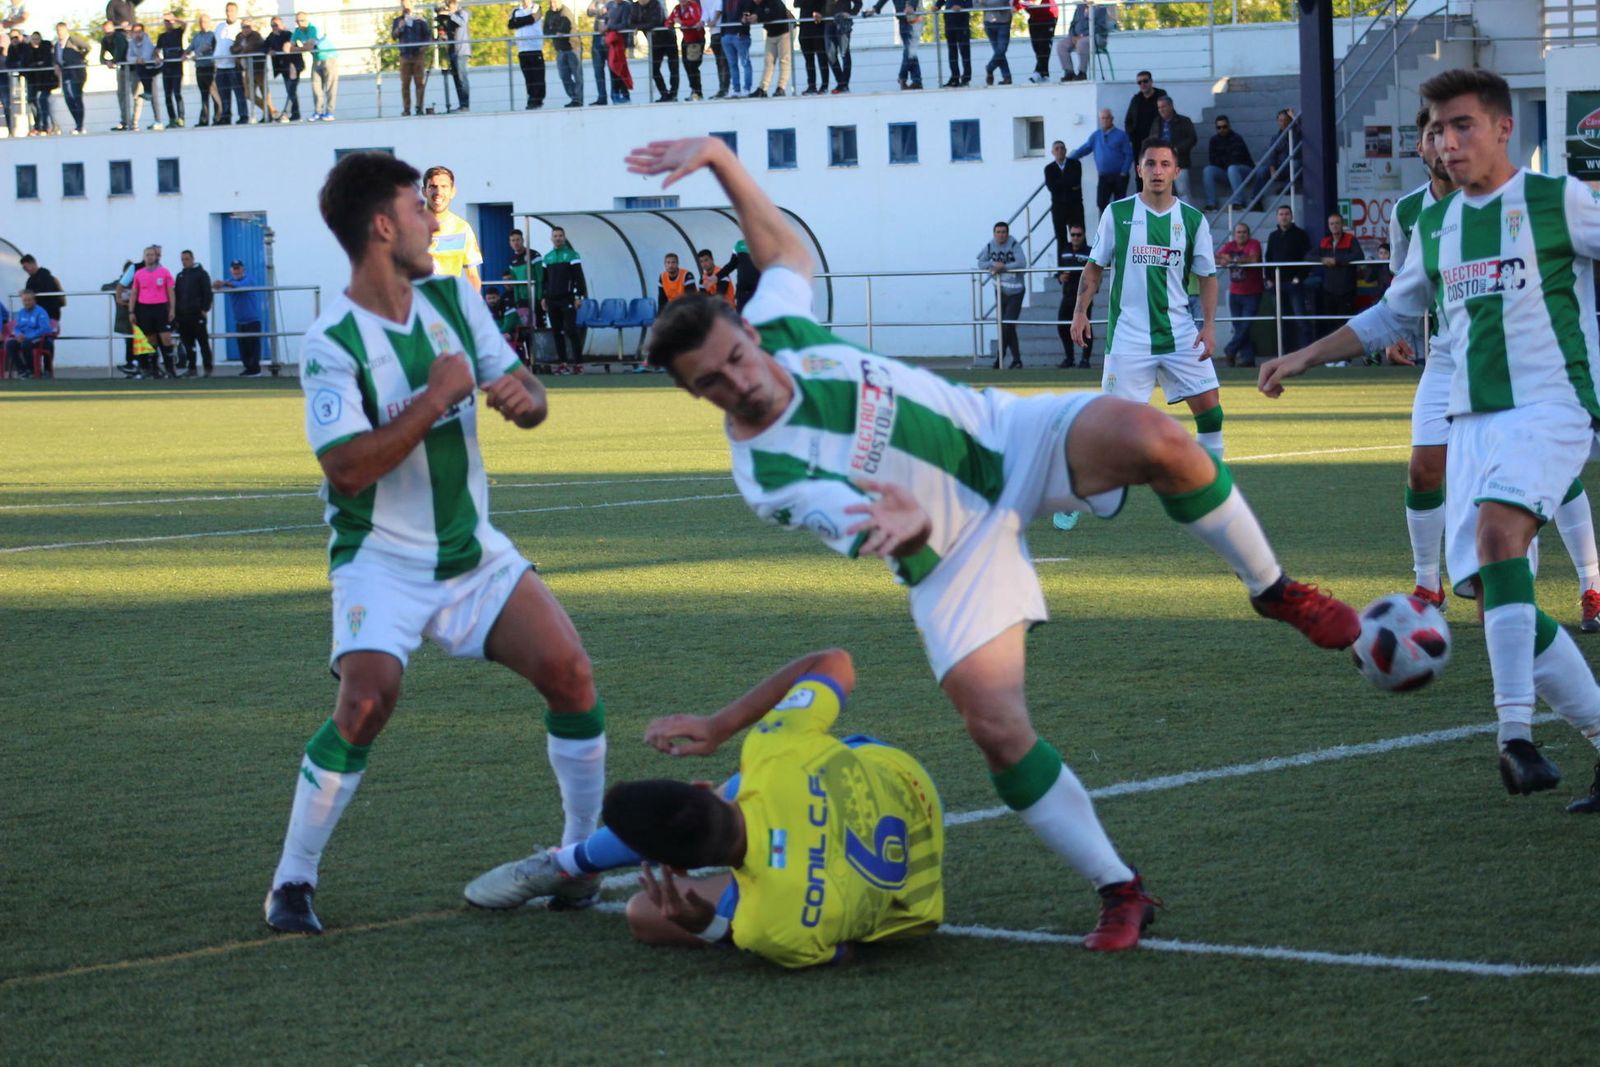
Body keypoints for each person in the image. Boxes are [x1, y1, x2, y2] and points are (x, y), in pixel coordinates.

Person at [628, 134, 1360, 951]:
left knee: (1159, 437)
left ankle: (1274, 589)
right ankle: (1120, 886)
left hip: (1005, 436)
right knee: (998, 730)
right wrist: (907, 523)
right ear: (693, 393)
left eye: (735, 358)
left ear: (750, 332)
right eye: (711, 383)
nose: (737, 381)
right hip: (949, 554)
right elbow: (865, 517)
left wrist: (722, 160)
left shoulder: (778, 322)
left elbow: (784, 250)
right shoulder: (769, 472)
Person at [263, 151, 610, 934]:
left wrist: (526, 400)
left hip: (470, 551)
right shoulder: (331, 341)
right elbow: (347, 468)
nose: (433, 219)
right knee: (365, 700)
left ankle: (579, 858)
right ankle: (292, 881)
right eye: (418, 208)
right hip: (379, 558)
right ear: (383, 227)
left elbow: (528, 393)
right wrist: (436, 398)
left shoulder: (454, 298)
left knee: (571, 672)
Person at [1258, 68, 1600, 813]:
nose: (1448, 142)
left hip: (1552, 407)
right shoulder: (1438, 226)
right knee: (1493, 593)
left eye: (1463, 125)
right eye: (1439, 130)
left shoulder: (1559, 200)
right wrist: (1304, 355)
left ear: (1505, 128)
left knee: (1500, 535)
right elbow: (1390, 314)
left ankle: (1514, 733)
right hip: (1471, 421)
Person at [468, 649, 946, 968]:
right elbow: (834, 660)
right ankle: (570, 866)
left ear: (674, 866)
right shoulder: (771, 751)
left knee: (645, 913)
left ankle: (569, 864)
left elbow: (840, 953)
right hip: (907, 790)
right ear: (702, 787)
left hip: (900, 886)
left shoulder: (770, 926)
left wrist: (712, 927)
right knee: (656, 900)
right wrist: (719, 726)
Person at [1383, 107, 1600, 627]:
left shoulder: (1519, 200)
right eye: (1432, 135)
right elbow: (1404, 285)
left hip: (1520, 357)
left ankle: (1591, 583)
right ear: (1421, 147)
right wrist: (1394, 332)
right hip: (1446, 358)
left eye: (1454, 131)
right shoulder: (1411, 212)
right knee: (1423, 467)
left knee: (1547, 472)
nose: (1443, 145)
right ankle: (1427, 582)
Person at [1071, 138, 1224, 457]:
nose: (1157, 171)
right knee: (1113, 430)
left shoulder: (1193, 220)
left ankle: (1210, 481)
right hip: (1129, 336)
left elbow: (1208, 277)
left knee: (1211, 413)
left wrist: (1209, 326)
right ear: (1139, 170)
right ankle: (1090, 486)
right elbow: (1094, 267)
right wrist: (1080, 312)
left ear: (1176, 172)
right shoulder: (1117, 213)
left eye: (1165, 164)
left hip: (1180, 333)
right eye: (1150, 164)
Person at [423, 165, 483, 291]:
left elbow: (472, 276)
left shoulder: (462, 228)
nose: (438, 192)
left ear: (453, 192)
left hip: (449, 301)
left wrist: (471, 302)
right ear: (424, 191)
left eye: (444, 186)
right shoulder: (408, 226)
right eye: (433, 186)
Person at [978, 221, 1026, 370]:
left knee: (1007, 324)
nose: (1001, 235)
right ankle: (1016, 360)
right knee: (1005, 325)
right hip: (1000, 290)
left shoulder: (1014, 244)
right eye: (998, 232)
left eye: (1004, 232)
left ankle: (1000, 357)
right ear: (994, 234)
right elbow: (981, 262)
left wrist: (1004, 267)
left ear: (1008, 233)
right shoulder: (990, 245)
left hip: (1016, 291)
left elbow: (1022, 263)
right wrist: (993, 266)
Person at [1264, 204, 1312, 351]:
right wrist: (1268, 279)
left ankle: (1306, 352)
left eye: (1286, 214)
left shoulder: (1301, 235)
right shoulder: (1273, 236)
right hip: (1276, 285)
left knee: (1300, 319)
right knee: (1281, 321)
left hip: (1295, 284)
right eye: (1281, 214)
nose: (1284, 217)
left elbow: (1308, 258)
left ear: (1291, 216)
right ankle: (1285, 353)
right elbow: (1268, 258)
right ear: (1277, 217)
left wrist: (1298, 278)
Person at [1069, 108, 1134, 214]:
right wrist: (1069, 158)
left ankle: (1119, 225)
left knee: (1120, 205)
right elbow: (1085, 148)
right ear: (1100, 120)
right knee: (1101, 203)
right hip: (1104, 176)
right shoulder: (1096, 136)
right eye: (1102, 118)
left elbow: (1129, 154)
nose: (1105, 120)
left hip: (1119, 176)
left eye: (1107, 118)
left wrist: (1124, 171)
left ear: (1112, 119)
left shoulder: (1121, 135)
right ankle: (1105, 224)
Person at [1216, 222, 1262, 369]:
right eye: (1238, 232)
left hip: (1252, 292)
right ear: (1234, 234)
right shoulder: (1230, 245)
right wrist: (1223, 259)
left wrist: (1232, 259)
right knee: (1239, 327)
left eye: (1244, 232)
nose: (1241, 235)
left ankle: (1230, 350)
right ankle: (1248, 359)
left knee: (1245, 326)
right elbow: (1216, 257)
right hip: (1235, 293)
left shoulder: (1254, 244)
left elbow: (1253, 259)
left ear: (1248, 234)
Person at [129, 244, 178, 378]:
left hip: (160, 308)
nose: (150, 257)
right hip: (145, 309)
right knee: (151, 340)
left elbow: (170, 292)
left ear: (156, 257)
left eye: (152, 255)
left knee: (166, 338)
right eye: (147, 255)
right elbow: (134, 293)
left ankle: (170, 369)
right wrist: (131, 311)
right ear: (144, 257)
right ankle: (154, 370)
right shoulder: (139, 274)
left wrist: (172, 309)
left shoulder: (164, 272)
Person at [541, 226, 588, 365]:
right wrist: (543, 297)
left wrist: (579, 296)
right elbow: (544, 281)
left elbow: (579, 277)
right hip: (552, 300)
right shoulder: (547, 257)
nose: (558, 238)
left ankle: (578, 363)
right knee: (557, 332)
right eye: (555, 236)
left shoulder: (572, 255)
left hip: (567, 298)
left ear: (564, 237)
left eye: (560, 236)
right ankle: (563, 363)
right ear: (551, 238)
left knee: (571, 330)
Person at [1314, 211, 1363, 340]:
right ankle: (1332, 352)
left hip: (1346, 289)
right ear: (1328, 226)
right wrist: (1323, 259)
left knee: (1346, 324)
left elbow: (1359, 256)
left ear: (1342, 225)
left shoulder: (1350, 239)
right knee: (1330, 324)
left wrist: (1337, 261)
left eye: (1337, 223)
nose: (1334, 226)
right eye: (1331, 224)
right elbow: (1308, 256)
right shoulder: (1325, 241)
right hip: (1329, 289)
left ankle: (1346, 352)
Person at [213, 259, 265, 376]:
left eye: (238, 268)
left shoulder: (249, 279)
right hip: (240, 321)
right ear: (230, 270)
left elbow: (240, 285)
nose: (236, 271)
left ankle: (255, 370)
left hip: (252, 320)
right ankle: (248, 369)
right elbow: (218, 286)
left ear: (243, 269)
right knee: (243, 347)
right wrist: (217, 284)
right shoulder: (229, 281)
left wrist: (224, 283)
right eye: (234, 268)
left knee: (253, 346)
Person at [1142, 96, 1196, 199]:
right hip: (1160, 164)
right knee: (1163, 194)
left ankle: (1185, 210)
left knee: (1183, 192)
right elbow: (1151, 140)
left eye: (1163, 107)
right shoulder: (1156, 122)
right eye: (1159, 107)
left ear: (1171, 106)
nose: (1161, 110)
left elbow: (1192, 138)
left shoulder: (1184, 121)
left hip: (1180, 162)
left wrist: (1177, 149)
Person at [1056, 224, 1092, 369]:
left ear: (1083, 236)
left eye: (1078, 235)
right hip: (1067, 295)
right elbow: (1059, 272)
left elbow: (1095, 273)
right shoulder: (1065, 251)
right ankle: (1069, 358)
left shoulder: (1089, 251)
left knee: (1085, 327)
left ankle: (1085, 359)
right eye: (1073, 235)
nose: (1075, 238)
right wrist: (1060, 277)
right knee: (1062, 326)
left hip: (1084, 296)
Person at [864, 0, 921, 91]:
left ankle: (903, 77)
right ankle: (916, 81)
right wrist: (874, 9)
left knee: (909, 50)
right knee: (910, 51)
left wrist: (910, 5)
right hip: (903, 21)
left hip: (913, 20)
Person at [291, 11, 336, 122]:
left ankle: (329, 112)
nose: (300, 23)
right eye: (297, 21)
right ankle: (318, 111)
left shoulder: (312, 29)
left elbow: (309, 46)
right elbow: (289, 47)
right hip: (316, 59)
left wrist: (298, 48)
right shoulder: (297, 31)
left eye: (302, 21)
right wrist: (301, 47)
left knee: (330, 86)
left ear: (307, 20)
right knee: (316, 86)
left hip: (328, 57)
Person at [174, 249, 214, 377]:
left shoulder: (202, 274)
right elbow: (177, 295)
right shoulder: (180, 276)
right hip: (183, 316)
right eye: (182, 259)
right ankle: (192, 367)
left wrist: (204, 309)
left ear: (192, 259)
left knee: (203, 342)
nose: (184, 262)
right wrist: (176, 313)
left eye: (186, 259)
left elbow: (207, 292)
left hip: (197, 314)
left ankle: (207, 367)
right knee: (188, 344)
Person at [1203, 115, 1254, 211]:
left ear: (1229, 126)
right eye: (1219, 127)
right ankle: (1211, 204)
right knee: (1208, 170)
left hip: (1244, 171)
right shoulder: (1214, 140)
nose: (1222, 129)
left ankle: (1239, 202)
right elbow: (1213, 160)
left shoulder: (1236, 138)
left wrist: (1222, 160)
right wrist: (1224, 160)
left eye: (1224, 127)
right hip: (1227, 171)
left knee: (1232, 168)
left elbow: (1236, 159)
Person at [1124, 70, 1164, 188]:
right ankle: (1141, 197)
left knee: (1158, 172)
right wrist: (1131, 136)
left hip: (1157, 142)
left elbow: (1167, 115)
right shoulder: (1136, 99)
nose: (1142, 84)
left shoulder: (1161, 96)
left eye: (1145, 81)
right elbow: (1128, 120)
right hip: (1139, 144)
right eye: (1139, 82)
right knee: (1141, 173)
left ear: (1151, 81)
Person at [1044, 139, 1085, 255]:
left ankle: (1082, 263)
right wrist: (1068, 185)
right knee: (1060, 237)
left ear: (1066, 150)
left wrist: (1060, 184)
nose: (1060, 151)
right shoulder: (1049, 169)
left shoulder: (1075, 164)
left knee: (1079, 235)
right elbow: (1052, 187)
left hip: (1075, 206)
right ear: (1052, 152)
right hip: (1058, 207)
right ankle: (1062, 265)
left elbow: (1075, 181)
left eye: (1062, 148)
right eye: (1057, 149)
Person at [391, 0, 430, 116]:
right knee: (405, 84)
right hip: (404, 56)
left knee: (419, 83)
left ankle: (419, 107)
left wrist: (423, 48)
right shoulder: (397, 20)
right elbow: (393, 36)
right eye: (403, 5)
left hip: (418, 55)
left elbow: (427, 36)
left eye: (407, 4)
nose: (405, 7)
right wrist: (399, 27)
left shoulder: (420, 20)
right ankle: (406, 109)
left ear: (412, 6)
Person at [234, 16, 276, 123]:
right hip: (248, 69)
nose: (246, 29)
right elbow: (233, 49)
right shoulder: (239, 36)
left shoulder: (255, 35)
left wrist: (241, 51)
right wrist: (241, 49)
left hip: (259, 69)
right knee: (248, 94)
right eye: (244, 27)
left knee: (265, 93)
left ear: (252, 27)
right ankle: (269, 110)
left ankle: (268, 114)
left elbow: (251, 48)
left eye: (248, 27)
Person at [1058, 0, 1110, 81]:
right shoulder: (1080, 7)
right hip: (1077, 37)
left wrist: (1082, 35)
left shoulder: (1101, 7)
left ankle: (1082, 73)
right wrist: (1073, 36)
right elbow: (1073, 24)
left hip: (1097, 37)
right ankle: (1069, 72)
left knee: (1082, 43)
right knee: (1061, 45)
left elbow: (1100, 27)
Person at [6, 289, 52, 378]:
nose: (27, 302)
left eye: (29, 300)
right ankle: (22, 370)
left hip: (38, 338)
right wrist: (18, 335)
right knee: (10, 345)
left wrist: (27, 336)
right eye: (24, 300)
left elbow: (45, 329)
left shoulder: (41, 312)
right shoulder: (21, 312)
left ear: (34, 300)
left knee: (25, 344)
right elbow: (17, 327)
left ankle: (32, 370)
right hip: (24, 338)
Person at [54, 22, 90, 135]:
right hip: (65, 73)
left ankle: (80, 126)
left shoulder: (73, 40)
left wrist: (79, 58)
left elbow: (87, 47)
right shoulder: (56, 44)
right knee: (68, 98)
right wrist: (56, 64)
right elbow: (56, 57)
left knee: (76, 97)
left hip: (76, 72)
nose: (59, 33)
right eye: (58, 31)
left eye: (61, 30)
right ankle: (77, 123)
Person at [510, 1, 547, 109]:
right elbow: (511, 24)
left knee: (538, 76)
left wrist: (519, 21)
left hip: (534, 48)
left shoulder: (536, 7)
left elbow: (533, 19)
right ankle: (531, 99)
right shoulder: (516, 10)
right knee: (528, 77)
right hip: (522, 49)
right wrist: (526, 20)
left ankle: (538, 100)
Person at [213, 3, 246, 126]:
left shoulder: (240, 27)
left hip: (233, 66)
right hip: (220, 66)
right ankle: (225, 116)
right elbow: (215, 43)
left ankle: (243, 115)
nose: (229, 13)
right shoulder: (219, 27)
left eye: (232, 10)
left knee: (239, 92)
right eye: (227, 10)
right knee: (223, 93)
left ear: (236, 12)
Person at [265, 15, 302, 121]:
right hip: (284, 69)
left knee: (291, 90)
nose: (274, 27)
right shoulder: (271, 36)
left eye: (276, 25)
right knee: (291, 91)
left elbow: (288, 46)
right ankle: (295, 115)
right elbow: (264, 46)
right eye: (272, 25)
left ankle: (285, 113)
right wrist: (269, 50)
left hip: (294, 67)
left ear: (282, 25)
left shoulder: (288, 34)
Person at [638, 0, 677, 101]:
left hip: (668, 38)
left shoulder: (656, 4)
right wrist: (645, 26)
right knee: (654, 69)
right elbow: (631, 23)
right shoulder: (636, 7)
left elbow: (656, 22)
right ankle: (664, 93)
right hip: (655, 42)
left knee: (673, 67)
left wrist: (641, 26)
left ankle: (673, 94)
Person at [546, 0, 582, 106]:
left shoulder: (566, 12)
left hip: (572, 47)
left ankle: (578, 100)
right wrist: (555, 31)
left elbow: (565, 28)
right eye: (550, 2)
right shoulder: (549, 13)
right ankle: (574, 97)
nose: (552, 4)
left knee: (577, 75)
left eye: (554, 2)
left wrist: (553, 28)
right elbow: (546, 30)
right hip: (560, 49)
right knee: (564, 76)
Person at [666, 0, 705, 100]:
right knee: (687, 65)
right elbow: (669, 21)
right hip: (686, 39)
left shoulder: (693, 6)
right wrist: (670, 24)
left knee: (692, 65)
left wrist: (681, 22)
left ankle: (697, 92)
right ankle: (694, 90)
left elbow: (696, 20)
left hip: (696, 39)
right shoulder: (677, 8)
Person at [752, 0, 791, 98]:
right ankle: (763, 88)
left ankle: (781, 88)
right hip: (771, 34)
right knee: (768, 61)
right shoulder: (758, 5)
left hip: (784, 32)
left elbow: (775, 15)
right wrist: (748, 19)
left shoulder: (775, 2)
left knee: (784, 60)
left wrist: (758, 17)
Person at [126, 22, 160, 130]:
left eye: (139, 32)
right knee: (137, 94)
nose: (137, 34)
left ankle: (158, 121)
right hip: (142, 70)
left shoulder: (147, 41)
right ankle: (134, 123)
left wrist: (139, 59)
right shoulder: (131, 43)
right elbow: (129, 57)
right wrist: (137, 59)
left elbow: (146, 56)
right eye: (135, 32)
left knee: (154, 96)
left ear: (143, 32)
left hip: (151, 68)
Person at [100, 18, 133, 130]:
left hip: (131, 67)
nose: (107, 33)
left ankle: (133, 121)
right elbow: (101, 57)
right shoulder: (105, 40)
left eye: (109, 30)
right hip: (122, 69)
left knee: (136, 94)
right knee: (121, 94)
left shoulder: (119, 37)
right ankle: (125, 120)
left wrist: (113, 61)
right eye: (105, 31)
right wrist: (107, 62)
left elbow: (120, 52)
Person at [188, 13, 220, 126]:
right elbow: (190, 48)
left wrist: (197, 53)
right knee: (203, 95)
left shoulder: (212, 35)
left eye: (205, 22)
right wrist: (184, 54)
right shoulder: (196, 36)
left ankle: (217, 118)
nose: (203, 24)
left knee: (214, 94)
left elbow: (207, 47)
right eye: (201, 22)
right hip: (199, 68)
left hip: (210, 67)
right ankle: (204, 120)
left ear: (209, 23)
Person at [438, 0, 470, 110]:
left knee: (462, 78)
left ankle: (465, 105)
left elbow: (462, 23)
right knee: (456, 79)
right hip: (452, 51)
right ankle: (461, 104)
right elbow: (451, 33)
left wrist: (450, 14)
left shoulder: (462, 13)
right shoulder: (451, 17)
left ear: (455, 4)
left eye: (450, 5)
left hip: (461, 52)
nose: (449, 7)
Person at [154, 12, 185, 128]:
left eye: (170, 21)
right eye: (166, 21)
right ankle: (172, 119)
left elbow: (185, 24)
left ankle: (181, 118)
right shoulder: (161, 36)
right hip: (166, 68)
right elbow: (157, 50)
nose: (168, 23)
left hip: (177, 67)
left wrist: (174, 18)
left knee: (177, 93)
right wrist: (157, 56)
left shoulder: (178, 32)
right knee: (167, 95)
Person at [20, 254, 64, 330]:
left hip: (49, 313)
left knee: (45, 334)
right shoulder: (30, 280)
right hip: (38, 314)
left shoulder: (45, 276)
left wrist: (31, 293)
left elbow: (47, 291)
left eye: (26, 267)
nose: (26, 270)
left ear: (33, 263)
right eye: (24, 268)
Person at [603, 0, 634, 102]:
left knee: (619, 67)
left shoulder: (626, 6)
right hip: (611, 41)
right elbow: (606, 20)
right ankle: (617, 94)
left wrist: (609, 27)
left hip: (620, 41)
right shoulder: (610, 5)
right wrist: (605, 27)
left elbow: (625, 24)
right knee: (613, 67)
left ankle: (624, 94)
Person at [934, 0, 970, 88]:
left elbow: (971, 3)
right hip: (949, 23)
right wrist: (937, 6)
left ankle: (966, 79)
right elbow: (941, 1)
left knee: (964, 52)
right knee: (952, 52)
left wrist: (961, 7)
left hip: (962, 22)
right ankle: (954, 78)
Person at [720, 0, 752, 97]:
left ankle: (747, 89)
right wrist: (723, 34)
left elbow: (747, 12)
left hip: (741, 36)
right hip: (727, 36)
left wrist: (742, 31)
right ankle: (736, 90)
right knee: (732, 64)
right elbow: (724, 16)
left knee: (745, 63)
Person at [718, 238, 760, 309]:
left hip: (758, 290)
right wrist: (716, 276)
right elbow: (731, 265)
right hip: (742, 291)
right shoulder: (739, 245)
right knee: (742, 314)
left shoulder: (764, 243)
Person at [1019, 0, 1054, 84]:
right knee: (1036, 46)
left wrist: (1026, 3)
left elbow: (1037, 2)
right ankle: (1044, 74)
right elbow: (1017, 5)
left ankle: (1037, 73)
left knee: (1044, 45)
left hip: (1048, 17)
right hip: (1034, 18)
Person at [796, 0, 826, 95]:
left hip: (818, 28)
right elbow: (796, 3)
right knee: (809, 61)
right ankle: (811, 86)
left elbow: (824, 4)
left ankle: (824, 86)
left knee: (822, 59)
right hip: (804, 29)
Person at [824, 0, 854, 92]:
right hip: (829, 23)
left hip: (843, 22)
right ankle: (841, 83)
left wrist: (850, 13)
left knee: (844, 53)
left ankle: (843, 85)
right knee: (830, 54)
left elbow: (858, 3)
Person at [980, 0, 1012, 86]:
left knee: (1001, 50)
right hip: (989, 23)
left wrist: (984, 3)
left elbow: (1001, 3)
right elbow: (975, 4)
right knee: (998, 52)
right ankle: (1007, 77)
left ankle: (990, 68)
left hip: (1004, 22)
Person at [586, 0, 610, 105]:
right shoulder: (597, 1)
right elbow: (589, 12)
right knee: (598, 70)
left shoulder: (613, 2)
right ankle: (602, 98)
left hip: (610, 36)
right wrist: (598, 10)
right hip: (597, 38)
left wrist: (604, 11)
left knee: (614, 69)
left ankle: (616, 95)